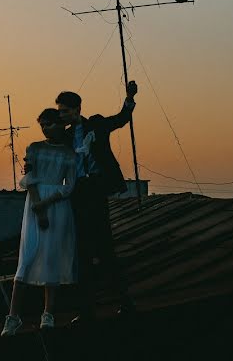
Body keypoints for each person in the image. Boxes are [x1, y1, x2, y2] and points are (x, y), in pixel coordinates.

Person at [56, 80, 138, 326]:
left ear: (77, 109)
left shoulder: (97, 123)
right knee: (82, 254)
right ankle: (87, 310)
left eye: (65, 111)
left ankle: (125, 302)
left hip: (95, 190)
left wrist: (130, 97)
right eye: (60, 112)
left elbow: (122, 119)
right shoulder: (66, 136)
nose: (62, 116)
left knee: (104, 249)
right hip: (78, 193)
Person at [1, 109, 78, 336]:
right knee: (27, 256)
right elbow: (30, 179)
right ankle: (13, 317)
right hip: (35, 205)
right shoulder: (34, 148)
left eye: (49, 124)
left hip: (58, 206)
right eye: (42, 125)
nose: (45, 129)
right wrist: (39, 206)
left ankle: (48, 314)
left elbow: (69, 186)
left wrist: (46, 203)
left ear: (60, 125)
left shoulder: (69, 153)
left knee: (52, 256)